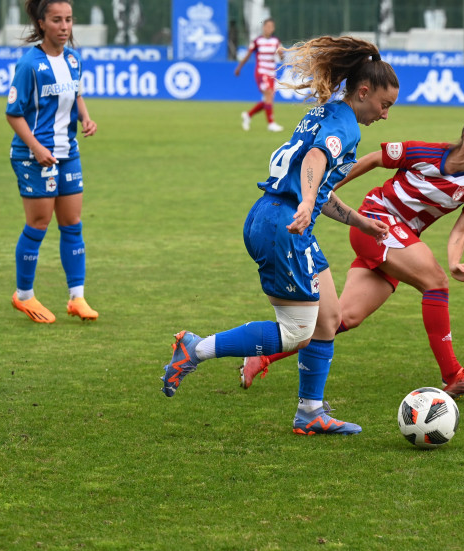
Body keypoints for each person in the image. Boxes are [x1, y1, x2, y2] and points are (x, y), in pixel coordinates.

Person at [162, 36, 398, 436]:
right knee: (295, 332)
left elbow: (319, 186)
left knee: (329, 319)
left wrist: (359, 221)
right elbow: (314, 160)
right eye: (385, 104)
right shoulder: (344, 125)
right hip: (283, 224)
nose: (385, 114)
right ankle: (196, 349)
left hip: (281, 218)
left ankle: (311, 413)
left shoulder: (327, 113)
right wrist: (306, 203)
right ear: (364, 92)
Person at [240, 94, 464, 398]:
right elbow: (372, 160)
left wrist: (455, 262)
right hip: (375, 222)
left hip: (401, 241)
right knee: (435, 284)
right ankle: (454, 374)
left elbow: (460, 233)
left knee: (342, 318)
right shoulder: (424, 152)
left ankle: (262, 355)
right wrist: (324, 190)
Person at [6, 0, 99, 324]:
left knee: (73, 225)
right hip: (35, 157)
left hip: (68, 152)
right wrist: (36, 148)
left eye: (69, 20)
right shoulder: (30, 64)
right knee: (38, 225)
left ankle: (77, 297)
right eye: (57, 20)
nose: (64, 26)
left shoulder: (73, 59)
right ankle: (24, 295)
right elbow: (13, 114)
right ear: (42, 23)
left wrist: (86, 118)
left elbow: (75, 94)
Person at [235, 18, 283, 132]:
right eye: (267, 26)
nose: (269, 29)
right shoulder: (257, 41)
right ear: (263, 27)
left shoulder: (276, 41)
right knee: (268, 94)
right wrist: (239, 67)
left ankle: (248, 114)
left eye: (271, 27)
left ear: (273, 29)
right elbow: (248, 55)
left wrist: (281, 55)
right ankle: (271, 124)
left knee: (268, 99)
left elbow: (281, 57)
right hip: (261, 72)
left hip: (272, 73)